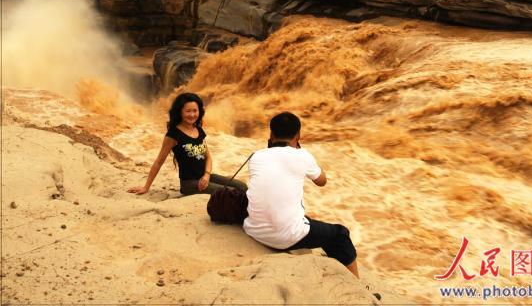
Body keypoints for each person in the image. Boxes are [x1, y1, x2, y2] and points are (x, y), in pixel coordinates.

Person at [243, 112, 359, 278]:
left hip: (254, 230)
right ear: (298, 135)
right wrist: (302, 152)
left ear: (271, 134)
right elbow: (322, 181)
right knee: (340, 234)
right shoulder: (302, 156)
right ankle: (360, 287)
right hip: (285, 237)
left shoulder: (256, 156)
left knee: (303, 217)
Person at [128, 93, 247, 196]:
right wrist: (146, 187)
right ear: (180, 112)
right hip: (189, 184)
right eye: (188, 111)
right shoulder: (173, 134)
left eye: (195, 111)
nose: (192, 115)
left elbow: (208, 157)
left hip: (205, 177)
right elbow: (159, 161)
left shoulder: (198, 130)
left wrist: (206, 175)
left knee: (242, 186)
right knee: (232, 192)